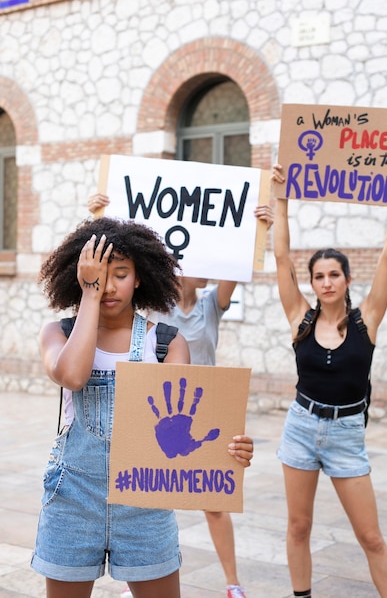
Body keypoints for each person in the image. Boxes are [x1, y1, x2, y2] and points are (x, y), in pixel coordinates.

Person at [31, 216, 254, 598]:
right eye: (97, 276)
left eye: (121, 274)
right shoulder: (59, 334)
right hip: (72, 500)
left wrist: (228, 451)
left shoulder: (167, 343)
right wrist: (89, 295)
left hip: (145, 504)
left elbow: (188, 437)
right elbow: (72, 376)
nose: (108, 286)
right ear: (80, 277)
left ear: (139, 278)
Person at [88, 194, 273, 598]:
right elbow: (112, 283)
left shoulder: (211, 305)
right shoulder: (157, 310)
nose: (211, 267)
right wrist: (99, 217)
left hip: (206, 410)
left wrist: (261, 228)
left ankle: (232, 582)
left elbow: (236, 264)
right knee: (148, 494)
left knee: (214, 502)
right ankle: (142, 578)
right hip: (163, 414)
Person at [272, 161, 387, 598]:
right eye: (319, 276)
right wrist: (280, 198)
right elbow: (280, 256)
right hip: (300, 427)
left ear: (348, 279)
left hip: (347, 433)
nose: (327, 281)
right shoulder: (300, 318)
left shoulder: (367, 319)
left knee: (370, 537)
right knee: (298, 526)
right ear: (311, 283)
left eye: (334, 274)